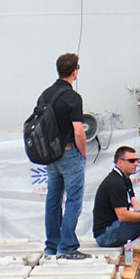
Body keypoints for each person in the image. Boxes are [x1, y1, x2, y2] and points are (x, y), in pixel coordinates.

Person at [39, 52, 89, 259]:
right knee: (73, 200)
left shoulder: (45, 95)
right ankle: (67, 246)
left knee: (53, 199)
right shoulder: (73, 98)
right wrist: (83, 153)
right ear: (75, 72)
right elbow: (78, 131)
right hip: (69, 153)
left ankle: (52, 245)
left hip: (51, 155)